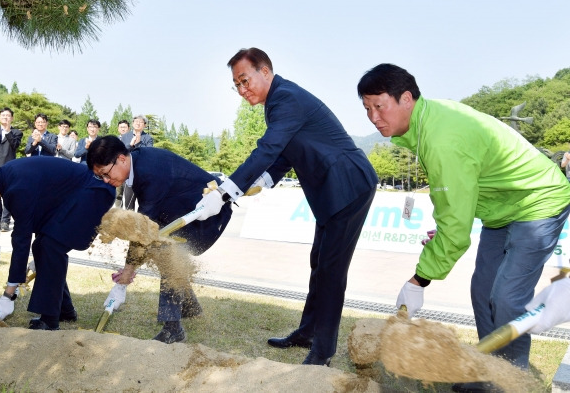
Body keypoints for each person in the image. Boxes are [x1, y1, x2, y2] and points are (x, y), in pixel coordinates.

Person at [356, 63, 570, 376]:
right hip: (501, 208)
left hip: (537, 200)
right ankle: (487, 372)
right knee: (483, 292)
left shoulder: (441, 137)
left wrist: (419, 281)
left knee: (507, 298)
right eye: (366, 108)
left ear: (405, 99)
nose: (373, 117)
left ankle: (513, 379)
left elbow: (456, 230)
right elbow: (456, 204)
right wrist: (448, 228)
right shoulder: (426, 124)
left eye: (379, 106)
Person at [194, 48, 378, 366]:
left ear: (265, 71)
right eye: (235, 84)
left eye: (244, 79)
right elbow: (286, 152)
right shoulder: (277, 102)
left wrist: (226, 192)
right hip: (331, 190)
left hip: (349, 185)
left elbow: (268, 149)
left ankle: (322, 351)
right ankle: (308, 332)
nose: (241, 89)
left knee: (331, 269)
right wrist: (264, 180)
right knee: (319, 261)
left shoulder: (286, 98)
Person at [86, 135, 233, 344]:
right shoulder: (137, 164)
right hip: (180, 208)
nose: (107, 181)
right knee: (162, 247)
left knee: (165, 252)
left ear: (121, 159)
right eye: (101, 177)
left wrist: (127, 273)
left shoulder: (149, 172)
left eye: (106, 174)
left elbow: (143, 230)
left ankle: (173, 329)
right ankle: (189, 307)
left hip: (210, 212)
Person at [0, 157, 115, 330]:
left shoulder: (16, 188)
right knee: (44, 247)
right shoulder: (9, 180)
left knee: (49, 247)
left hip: (95, 193)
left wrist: (8, 294)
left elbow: (21, 240)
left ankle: (50, 320)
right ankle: (64, 310)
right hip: (79, 197)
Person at [114, 120, 133, 208]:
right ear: (118, 129)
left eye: (125, 127)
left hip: (130, 171)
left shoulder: (133, 140)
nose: (123, 129)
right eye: (121, 127)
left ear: (129, 129)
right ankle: (118, 215)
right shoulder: (114, 140)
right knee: (118, 194)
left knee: (129, 197)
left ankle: (129, 217)